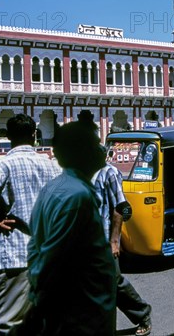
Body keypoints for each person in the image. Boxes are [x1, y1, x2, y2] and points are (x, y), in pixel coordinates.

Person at [0, 114, 61, 335]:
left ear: (8, 136)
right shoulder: (52, 167)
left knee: (6, 321)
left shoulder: (3, 166)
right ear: (34, 136)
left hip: (15, 255)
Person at [25, 122, 116, 334]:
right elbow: (53, 258)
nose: (102, 149)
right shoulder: (78, 197)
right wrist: (37, 307)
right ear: (82, 152)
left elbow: (34, 246)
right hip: (82, 314)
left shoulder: (54, 187)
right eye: (96, 144)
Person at [92, 147, 153, 336]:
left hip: (104, 239)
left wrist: (114, 241)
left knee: (114, 280)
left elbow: (119, 207)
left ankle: (142, 314)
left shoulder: (109, 173)